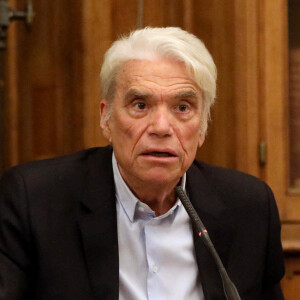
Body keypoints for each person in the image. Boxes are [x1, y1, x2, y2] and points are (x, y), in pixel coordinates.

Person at [0, 27, 284, 300]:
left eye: (182, 107)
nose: (161, 127)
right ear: (106, 117)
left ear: (203, 127)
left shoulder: (249, 207)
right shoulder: (33, 201)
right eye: (140, 105)